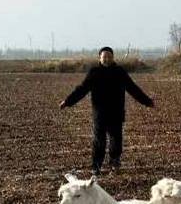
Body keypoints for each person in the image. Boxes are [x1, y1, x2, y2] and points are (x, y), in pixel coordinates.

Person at [59, 46, 154, 174]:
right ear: (100, 58)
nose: (107, 59)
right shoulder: (94, 72)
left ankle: (115, 162)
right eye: (104, 57)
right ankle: (96, 166)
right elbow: (82, 89)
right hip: (100, 113)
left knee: (116, 140)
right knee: (99, 141)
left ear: (113, 58)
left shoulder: (120, 72)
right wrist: (67, 101)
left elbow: (133, 88)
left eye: (109, 56)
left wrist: (147, 101)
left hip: (116, 112)